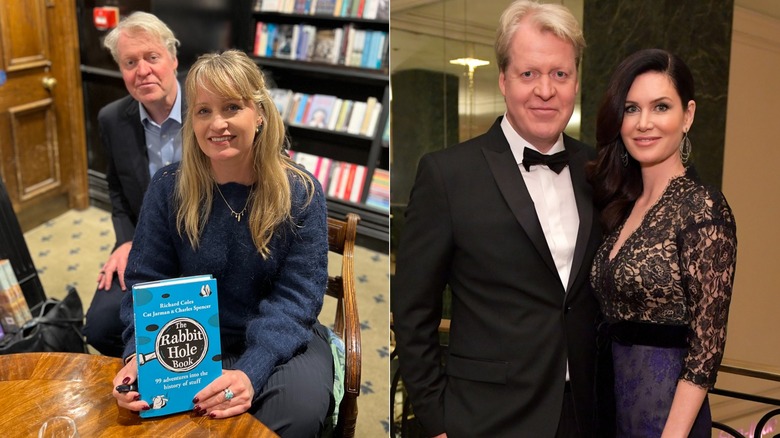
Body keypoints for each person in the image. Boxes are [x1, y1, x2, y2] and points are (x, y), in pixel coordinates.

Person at [391, 1, 602, 436]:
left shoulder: (598, 171)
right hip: (486, 418)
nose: (546, 90)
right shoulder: (447, 174)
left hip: (587, 414)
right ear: (503, 80)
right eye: (529, 74)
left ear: (575, 81)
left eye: (560, 74)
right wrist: (435, 421)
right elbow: (413, 310)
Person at [110, 49, 333, 436]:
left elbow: (298, 297)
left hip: (277, 341)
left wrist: (253, 369)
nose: (218, 124)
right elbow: (146, 279)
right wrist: (140, 356)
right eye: (203, 111)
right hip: (189, 341)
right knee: (150, 417)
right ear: (191, 121)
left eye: (232, 107)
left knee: (296, 415)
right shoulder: (168, 187)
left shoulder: (301, 192)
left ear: (259, 114)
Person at [588, 48, 737, 437]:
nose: (644, 123)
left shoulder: (702, 207)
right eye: (632, 108)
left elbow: (706, 351)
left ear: (687, 115)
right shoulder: (621, 206)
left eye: (661, 107)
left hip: (667, 423)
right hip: (611, 414)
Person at [84, 11, 184, 357]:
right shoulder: (111, 119)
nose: (142, 71)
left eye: (152, 57)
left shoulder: (209, 109)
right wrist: (126, 240)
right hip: (146, 244)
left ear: (172, 58)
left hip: (209, 244)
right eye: (130, 62)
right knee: (99, 326)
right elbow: (116, 190)